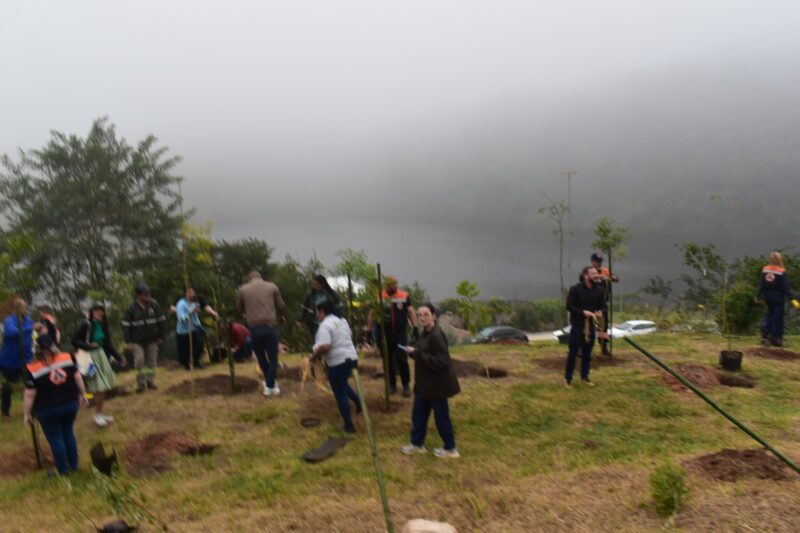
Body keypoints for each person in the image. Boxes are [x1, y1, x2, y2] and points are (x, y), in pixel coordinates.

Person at [400, 303, 461, 459]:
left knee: (441, 418)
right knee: (418, 416)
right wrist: (411, 351)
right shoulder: (424, 333)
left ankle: (451, 449)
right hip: (424, 385)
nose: (422, 317)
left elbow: (442, 362)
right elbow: (420, 351)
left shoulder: (436, 335)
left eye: (426, 314)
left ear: (434, 316)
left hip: (438, 386)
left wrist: (418, 354)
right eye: (419, 315)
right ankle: (417, 444)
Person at [23, 334, 89, 476]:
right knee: (68, 433)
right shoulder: (67, 357)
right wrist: (83, 394)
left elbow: (30, 394)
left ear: (37, 349)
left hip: (47, 409)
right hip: (70, 404)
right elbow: (77, 377)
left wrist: (26, 414)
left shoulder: (32, 367)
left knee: (55, 438)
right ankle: (74, 465)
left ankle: (63, 471)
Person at [309, 299, 361, 433]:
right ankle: (358, 401)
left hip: (338, 362)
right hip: (352, 358)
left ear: (322, 312)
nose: (317, 315)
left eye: (317, 312)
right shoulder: (342, 321)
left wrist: (313, 357)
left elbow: (326, 346)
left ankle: (348, 425)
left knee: (339, 393)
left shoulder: (325, 325)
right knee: (343, 384)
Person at [71, 304, 127, 427]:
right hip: (89, 358)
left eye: (100, 310)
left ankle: (100, 413)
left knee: (105, 386)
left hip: (101, 356)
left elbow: (108, 344)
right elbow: (74, 340)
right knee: (98, 387)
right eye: (96, 310)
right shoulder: (86, 324)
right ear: (92, 312)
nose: (98, 312)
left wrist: (119, 357)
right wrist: (88, 346)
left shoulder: (103, 325)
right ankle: (97, 415)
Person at [236, 271, 286, 397]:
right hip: (270, 326)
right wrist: (281, 316)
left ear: (249, 279)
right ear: (261, 277)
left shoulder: (243, 289)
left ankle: (270, 384)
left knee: (261, 357)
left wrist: (246, 312)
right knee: (273, 357)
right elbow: (281, 305)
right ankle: (270, 385)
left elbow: (238, 307)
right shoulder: (272, 286)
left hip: (254, 328)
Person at [367, 276, 418, 397]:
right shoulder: (380, 296)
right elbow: (372, 314)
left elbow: (411, 311)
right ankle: (391, 384)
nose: (394, 287)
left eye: (395, 284)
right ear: (386, 286)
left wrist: (415, 326)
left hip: (400, 334)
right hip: (385, 334)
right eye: (391, 285)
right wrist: (368, 331)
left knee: (402, 359)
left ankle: (406, 385)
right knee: (387, 360)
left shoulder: (404, 295)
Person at [564, 266, 608, 388]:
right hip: (578, 326)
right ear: (585, 276)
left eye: (597, 273)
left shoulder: (599, 291)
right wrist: (583, 312)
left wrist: (600, 311)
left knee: (587, 354)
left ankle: (585, 377)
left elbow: (604, 307)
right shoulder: (575, 289)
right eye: (593, 273)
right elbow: (569, 306)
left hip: (591, 327)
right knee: (573, 353)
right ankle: (568, 378)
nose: (597, 275)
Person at [122, 284, 166, 393]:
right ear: (138, 295)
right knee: (139, 362)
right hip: (137, 342)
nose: (148, 295)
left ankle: (150, 382)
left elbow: (161, 321)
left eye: (148, 293)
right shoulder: (131, 309)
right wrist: (129, 342)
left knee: (152, 362)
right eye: (145, 294)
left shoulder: (154, 305)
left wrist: (161, 336)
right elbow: (125, 326)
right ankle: (140, 384)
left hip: (153, 340)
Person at [757, 251, 799, 347]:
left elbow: (762, 284)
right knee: (777, 316)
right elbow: (786, 287)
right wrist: (793, 299)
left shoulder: (765, 270)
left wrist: (758, 295)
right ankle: (775, 338)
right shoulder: (781, 271)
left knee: (770, 313)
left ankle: (765, 334)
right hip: (778, 297)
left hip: (767, 296)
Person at [1, 298, 34, 417]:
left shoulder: (28, 320)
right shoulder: (9, 321)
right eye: (24, 307)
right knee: (8, 386)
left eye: (26, 306)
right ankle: (5, 410)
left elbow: (28, 338)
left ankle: (32, 409)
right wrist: (30, 328)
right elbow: (11, 332)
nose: (27, 309)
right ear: (17, 309)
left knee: (31, 383)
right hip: (9, 361)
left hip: (26, 360)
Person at [297, 275, 345, 341]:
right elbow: (304, 308)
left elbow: (339, 309)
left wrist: (339, 322)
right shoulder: (310, 295)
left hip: (330, 323)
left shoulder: (332, 295)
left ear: (322, 284)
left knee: (329, 340)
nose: (314, 286)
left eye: (316, 284)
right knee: (318, 340)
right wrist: (301, 321)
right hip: (315, 323)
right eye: (313, 284)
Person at [590, 252, 618, 356]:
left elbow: (615, 278)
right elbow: (584, 279)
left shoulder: (605, 270)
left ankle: (604, 347)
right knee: (589, 326)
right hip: (591, 303)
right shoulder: (589, 271)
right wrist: (598, 277)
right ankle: (584, 348)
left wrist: (613, 277)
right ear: (592, 262)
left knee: (604, 326)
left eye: (600, 262)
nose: (599, 264)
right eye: (597, 262)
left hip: (602, 303)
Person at [176, 287, 208, 370]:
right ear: (185, 293)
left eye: (193, 292)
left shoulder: (193, 303)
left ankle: (196, 362)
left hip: (194, 329)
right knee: (186, 350)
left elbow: (195, 317)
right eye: (189, 292)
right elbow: (181, 319)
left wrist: (199, 326)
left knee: (200, 344)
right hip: (184, 332)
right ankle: (187, 365)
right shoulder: (181, 304)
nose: (192, 294)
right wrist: (191, 312)